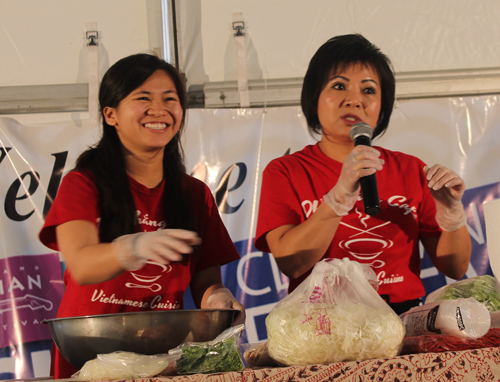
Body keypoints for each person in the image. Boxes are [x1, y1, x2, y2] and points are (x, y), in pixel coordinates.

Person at [39, 53, 244, 378]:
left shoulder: (195, 194)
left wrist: (219, 298)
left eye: (170, 99)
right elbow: (80, 263)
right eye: (143, 98)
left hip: (163, 359)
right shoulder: (83, 183)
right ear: (111, 114)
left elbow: (206, 281)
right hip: (89, 357)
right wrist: (134, 248)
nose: (159, 109)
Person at [255, 34, 471, 316]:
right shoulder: (286, 171)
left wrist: (452, 213)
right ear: (314, 97)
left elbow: (455, 269)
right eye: (339, 86)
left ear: (382, 105)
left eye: (368, 90)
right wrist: (337, 199)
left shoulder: (410, 169)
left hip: (401, 319)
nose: (354, 100)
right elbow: (292, 264)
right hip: (319, 320)